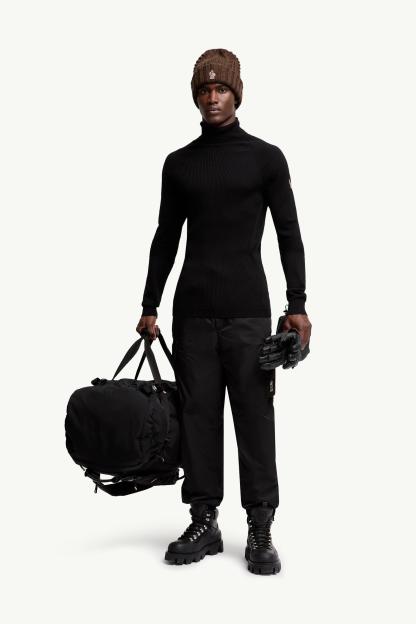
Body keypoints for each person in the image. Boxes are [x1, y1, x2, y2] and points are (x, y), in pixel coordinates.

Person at [136, 48, 312, 575]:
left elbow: (289, 234)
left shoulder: (266, 158)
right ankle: (204, 520)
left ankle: (260, 526)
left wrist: (297, 305)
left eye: (221, 89)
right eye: (204, 90)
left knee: (255, 419)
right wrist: (149, 304)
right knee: (198, 419)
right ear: (195, 96)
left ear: (237, 94)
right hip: (192, 313)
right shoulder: (179, 164)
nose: (212, 98)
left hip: (248, 314)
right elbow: (166, 237)